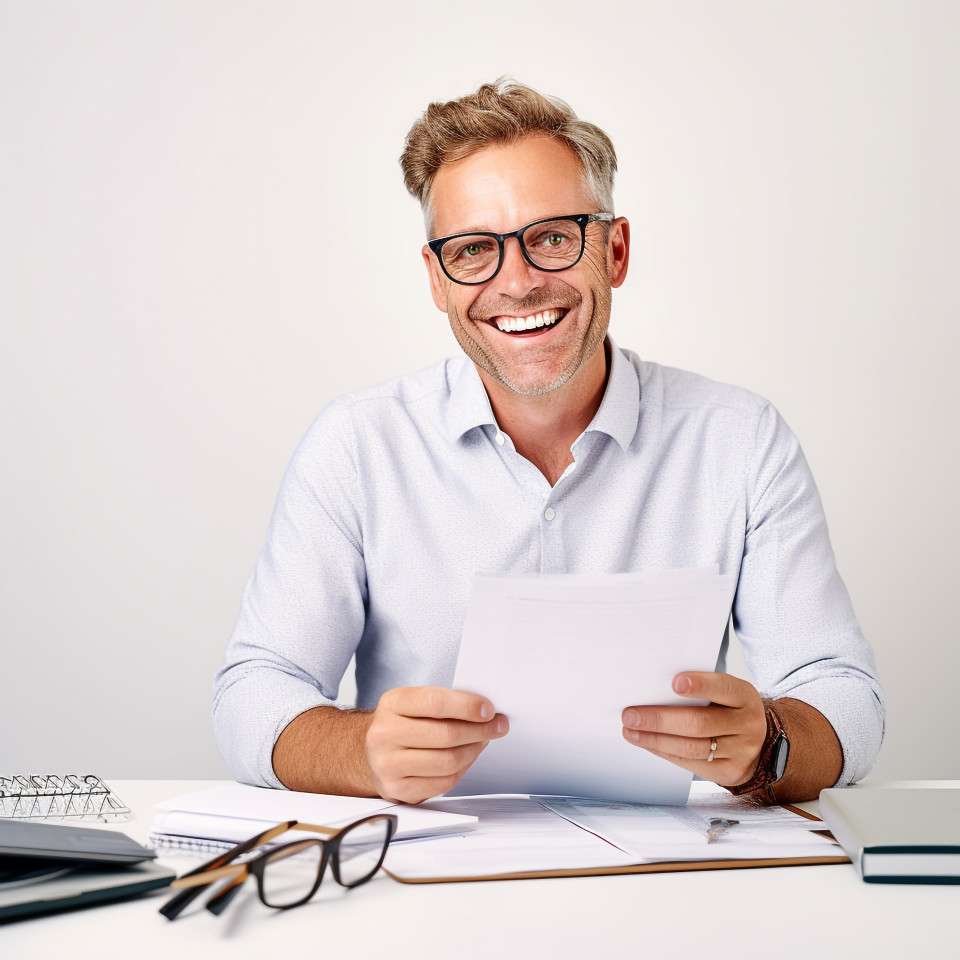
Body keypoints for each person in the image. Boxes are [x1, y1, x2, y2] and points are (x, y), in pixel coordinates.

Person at [213, 80, 884, 806]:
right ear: (438, 281)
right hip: (426, 877)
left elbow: (844, 698)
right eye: (473, 250)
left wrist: (768, 746)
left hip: (669, 883)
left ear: (615, 251)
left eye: (554, 238)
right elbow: (251, 694)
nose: (520, 282)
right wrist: (359, 751)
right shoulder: (357, 444)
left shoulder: (741, 441)